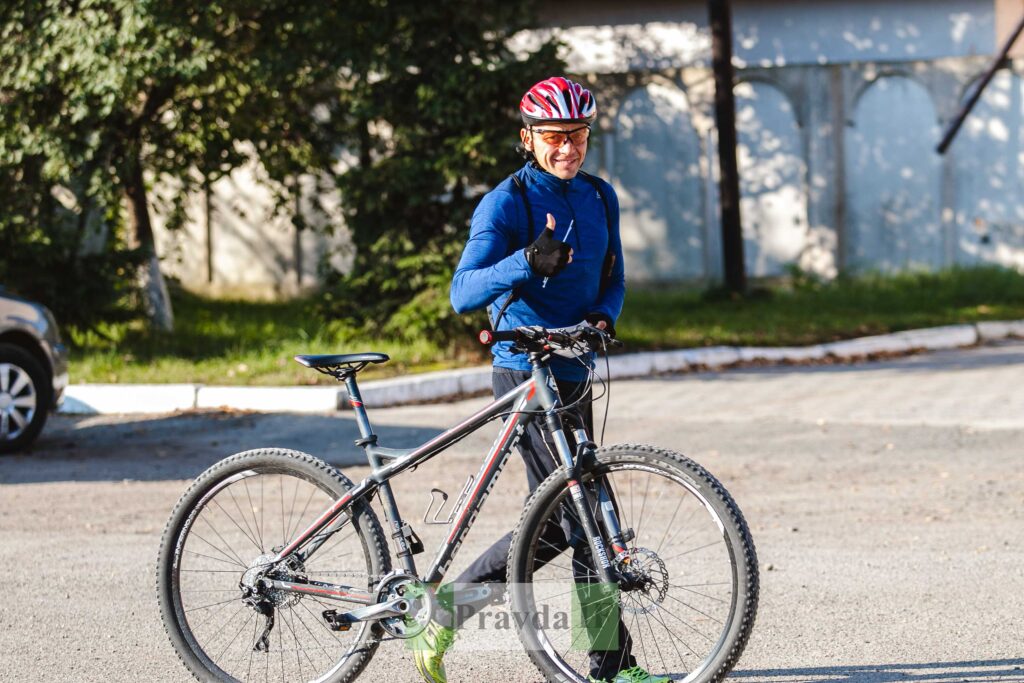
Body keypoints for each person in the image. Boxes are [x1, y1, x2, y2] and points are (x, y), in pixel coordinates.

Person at [408, 77, 667, 683]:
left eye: (577, 135)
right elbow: (461, 292)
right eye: (554, 137)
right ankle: (451, 615)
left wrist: (604, 316)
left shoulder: (601, 196)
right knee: (575, 519)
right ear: (529, 138)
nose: (568, 149)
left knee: (580, 518)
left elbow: (616, 279)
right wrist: (524, 262)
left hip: (574, 369)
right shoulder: (507, 202)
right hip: (524, 373)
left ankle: (606, 666)